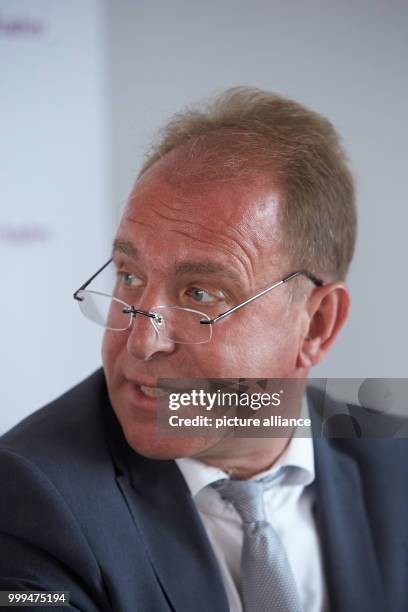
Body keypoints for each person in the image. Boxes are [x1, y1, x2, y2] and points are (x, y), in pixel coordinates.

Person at [0, 87, 406, 612]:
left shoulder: (394, 469)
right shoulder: (29, 499)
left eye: (200, 295)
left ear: (316, 327)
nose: (141, 340)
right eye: (129, 276)